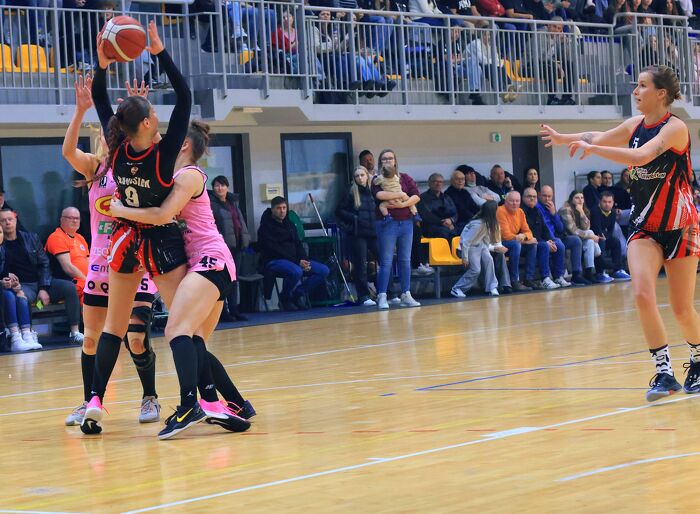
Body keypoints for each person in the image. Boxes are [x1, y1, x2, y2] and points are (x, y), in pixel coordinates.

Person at [541, 65, 700, 402]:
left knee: (682, 309)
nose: (635, 91)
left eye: (642, 85)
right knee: (642, 294)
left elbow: (641, 156)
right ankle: (664, 372)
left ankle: (698, 360)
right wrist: (564, 138)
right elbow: (597, 136)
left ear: (661, 93)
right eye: (635, 85)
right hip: (644, 227)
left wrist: (594, 151)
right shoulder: (635, 125)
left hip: (680, 225)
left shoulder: (675, 128)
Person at [83, 21, 201, 436]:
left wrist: (102, 65)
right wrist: (159, 51)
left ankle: (94, 400)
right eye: (152, 114)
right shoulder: (165, 155)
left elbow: (100, 99)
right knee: (183, 326)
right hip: (160, 241)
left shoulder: (116, 148)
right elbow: (185, 97)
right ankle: (195, 398)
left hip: (123, 240)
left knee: (112, 328)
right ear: (149, 123)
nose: (156, 117)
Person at [110, 120, 253, 438]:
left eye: (169, 140)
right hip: (206, 264)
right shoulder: (173, 175)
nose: (163, 143)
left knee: (176, 330)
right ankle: (226, 404)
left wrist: (120, 210)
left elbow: (161, 215)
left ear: (184, 145)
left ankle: (190, 406)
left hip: (210, 260)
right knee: (194, 340)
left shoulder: (188, 175)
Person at [61, 75, 161, 428]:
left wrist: (141, 110)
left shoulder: (138, 164)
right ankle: (90, 399)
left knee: (136, 338)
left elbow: (156, 143)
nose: (112, 135)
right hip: (101, 267)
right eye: (108, 132)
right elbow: (67, 152)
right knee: (91, 339)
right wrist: (79, 110)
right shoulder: (95, 168)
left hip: (136, 262)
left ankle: (150, 397)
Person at [0, 208, 84, 345]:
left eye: (10, 219)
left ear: (15, 220)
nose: (7, 223)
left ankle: (75, 332)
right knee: (23, 297)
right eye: (3, 220)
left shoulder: (31, 238)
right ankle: (29, 334)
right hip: (22, 286)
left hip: (42, 282)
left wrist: (43, 288)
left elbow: (45, 264)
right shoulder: (1, 245)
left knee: (69, 287)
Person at [257, 196, 330, 311]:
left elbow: (298, 245)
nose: (282, 211)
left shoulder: (290, 225)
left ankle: (297, 295)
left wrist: (304, 260)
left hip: (295, 261)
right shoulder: (265, 228)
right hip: (274, 261)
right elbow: (275, 250)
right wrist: (297, 262)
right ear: (272, 210)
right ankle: (285, 299)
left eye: (284, 208)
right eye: (278, 208)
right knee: (296, 271)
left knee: (323, 270)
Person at [372, 149, 421, 309]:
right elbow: (380, 196)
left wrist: (403, 204)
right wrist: (401, 195)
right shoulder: (377, 179)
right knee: (386, 261)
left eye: (390, 158)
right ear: (380, 162)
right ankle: (382, 295)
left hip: (406, 223)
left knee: (405, 260)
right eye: (384, 159)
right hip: (388, 223)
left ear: (395, 161)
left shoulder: (405, 177)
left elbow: (416, 196)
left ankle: (406, 293)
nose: (387, 161)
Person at [208, 175, 251, 322]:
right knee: (222, 280)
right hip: (221, 248)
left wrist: (245, 239)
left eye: (222, 185)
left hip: (236, 246)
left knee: (234, 279)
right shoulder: (211, 204)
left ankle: (234, 309)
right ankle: (222, 312)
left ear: (227, 187)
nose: (219, 188)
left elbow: (240, 222)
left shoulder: (233, 202)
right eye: (216, 185)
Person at [335, 166, 378, 306]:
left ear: (367, 176)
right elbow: (339, 210)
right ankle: (364, 296)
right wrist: (355, 219)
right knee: (361, 264)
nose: (360, 178)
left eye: (362, 175)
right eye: (357, 176)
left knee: (384, 260)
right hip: (358, 233)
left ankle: (387, 292)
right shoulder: (350, 191)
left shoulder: (374, 190)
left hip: (374, 231)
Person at [451, 201, 510, 298]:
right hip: (468, 248)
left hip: (480, 246)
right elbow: (465, 242)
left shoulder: (489, 223)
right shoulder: (477, 224)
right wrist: (465, 257)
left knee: (489, 261)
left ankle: (492, 287)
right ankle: (457, 288)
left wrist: (492, 249)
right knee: (476, 270)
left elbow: (486, 240)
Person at [0, 224, 40, 352]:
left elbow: (4, 274)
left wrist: (14, 284)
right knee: (9, 296)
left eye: (0, 233)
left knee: (21, 297)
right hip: (3, 290)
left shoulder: (3, 250)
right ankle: (15, 337)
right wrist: (2, 283)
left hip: (6, 288)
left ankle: (26, 335)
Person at [537, 185, 588, 285]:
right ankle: (558, 276)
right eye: (544, 196)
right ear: (539, 195)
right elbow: (542, 229)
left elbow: (560, 228)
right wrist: (551, 239)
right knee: (559, 244)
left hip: (558, 236)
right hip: (546, 238)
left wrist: (554, 214)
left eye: (549, 196)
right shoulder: (537, 208)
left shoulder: (551, 207)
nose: (547, 199)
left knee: (576, 240)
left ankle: (576, 274)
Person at [520, 187, 565, 290]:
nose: (532, 199)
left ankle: (558, 277)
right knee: (544, 246)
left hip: (539, 240)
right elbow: (529, 232)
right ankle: (545, 278)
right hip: (526, 242)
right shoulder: (521, 211)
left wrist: (550, 240)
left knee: (559, 244)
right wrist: (545, 242)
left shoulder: (537, 210)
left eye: (534, 197)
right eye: (529, 196)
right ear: (523, 198)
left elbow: (545, 229)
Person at [45, 207, 90, 304]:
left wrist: (93, 279)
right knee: (89, 291)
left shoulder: (80, 237)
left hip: (83, 281)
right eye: (71, 218)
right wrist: (88, 281)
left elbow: (89, 262)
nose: (75, 221)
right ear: (62, 220)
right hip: (67, 281)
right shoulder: (57, 237)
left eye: (77, 218)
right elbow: (68, 268)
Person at [495, 191, 535, 292]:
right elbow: (506, 236)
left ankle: (528, 279)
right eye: (512, 201)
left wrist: (524, 236)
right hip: (501, 243)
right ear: (505, 201)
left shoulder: (520, 212)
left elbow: (529, 232)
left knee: (533, 245)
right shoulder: (500, 211)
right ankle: (514, 281)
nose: (515, 203)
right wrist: (524, 240)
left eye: (517, 201)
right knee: (516, 245)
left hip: (515, 242)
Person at [559, 190, 600, 284]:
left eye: (582, 198)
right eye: (577, 198)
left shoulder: (582, 209)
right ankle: (598, 253)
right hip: (567, 237)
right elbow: (572, 230)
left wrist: (581, 212)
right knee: (590, 234)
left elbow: (586, 227)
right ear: (571, 200)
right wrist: (590, 235)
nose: (580, 200)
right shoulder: (565, 209)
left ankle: (589, 273)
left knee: (590, 240)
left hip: (578, 237)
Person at [589, 191, 631, 282]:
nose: (607, 204)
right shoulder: (595, 210)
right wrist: (603, 237)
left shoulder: (612, 212)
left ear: (613, 203)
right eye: (604, 201)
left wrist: (606, 237)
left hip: (604, 237)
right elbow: (597, 229)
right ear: (600, 202)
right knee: (601, 241)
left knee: (615, 241)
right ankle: (600, 273)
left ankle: (617, 270)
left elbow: (610, 230)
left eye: (609, 202)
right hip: (593, 237)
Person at [417, 173, 458, 240]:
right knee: (444, 233)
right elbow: (426, 215)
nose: (438, 184)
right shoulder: (422, 198)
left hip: (448, 225)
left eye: (440, 182)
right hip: (430, 227)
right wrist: (443, 223)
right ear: (429, 183)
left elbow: (455, 213)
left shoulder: (447, 197)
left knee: (462, 230)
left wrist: (451, 220)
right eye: (435, 181)